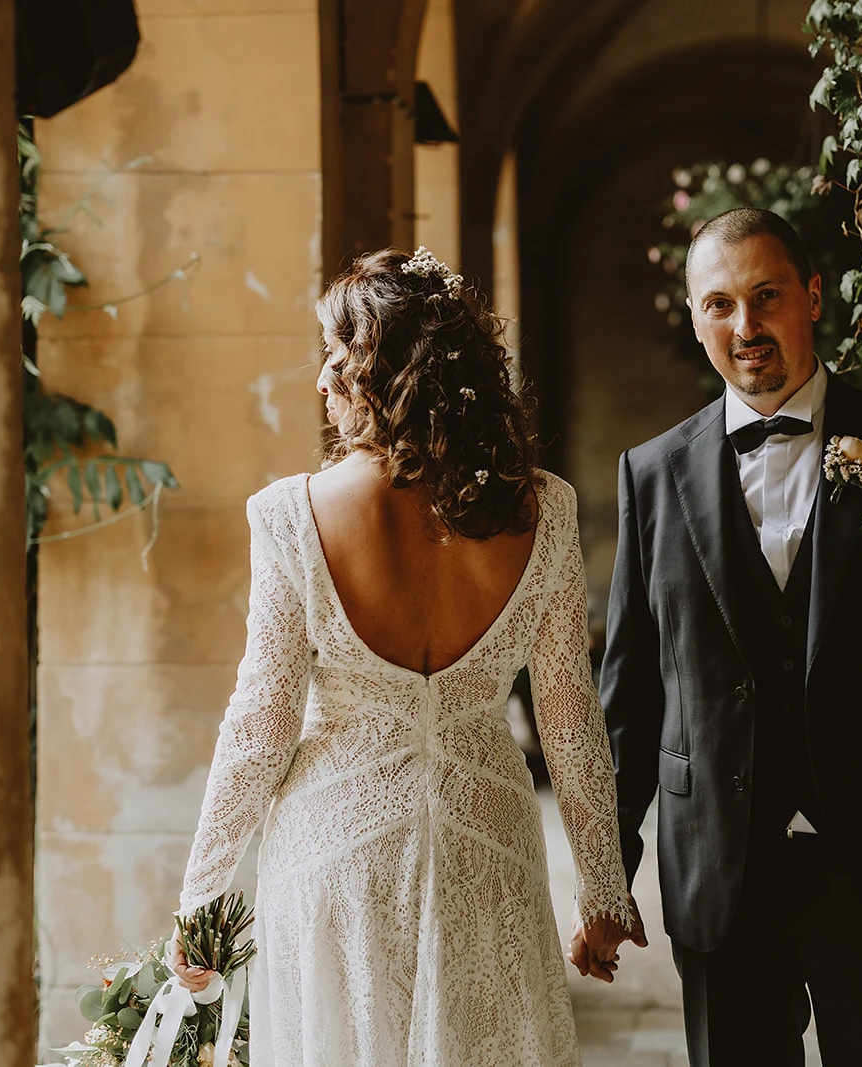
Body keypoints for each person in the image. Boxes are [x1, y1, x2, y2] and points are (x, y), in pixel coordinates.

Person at [166, 247, 642, 1067]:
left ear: (385, 372)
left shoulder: (292, 515)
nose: (322, 380)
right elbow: (568, 711)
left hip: (338, 860)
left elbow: (262, 723)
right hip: (485, 846)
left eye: (337, 357)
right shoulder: (544, 508)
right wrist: (601, 885)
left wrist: (201, 897)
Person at [601, 209, 862, 1065]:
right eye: (719, 304)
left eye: (766, 295)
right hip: (721, 871)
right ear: (693, 317)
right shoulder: (651, 474)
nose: (745, 326)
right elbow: (632, 698)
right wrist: (609, 874)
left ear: (813, 295)